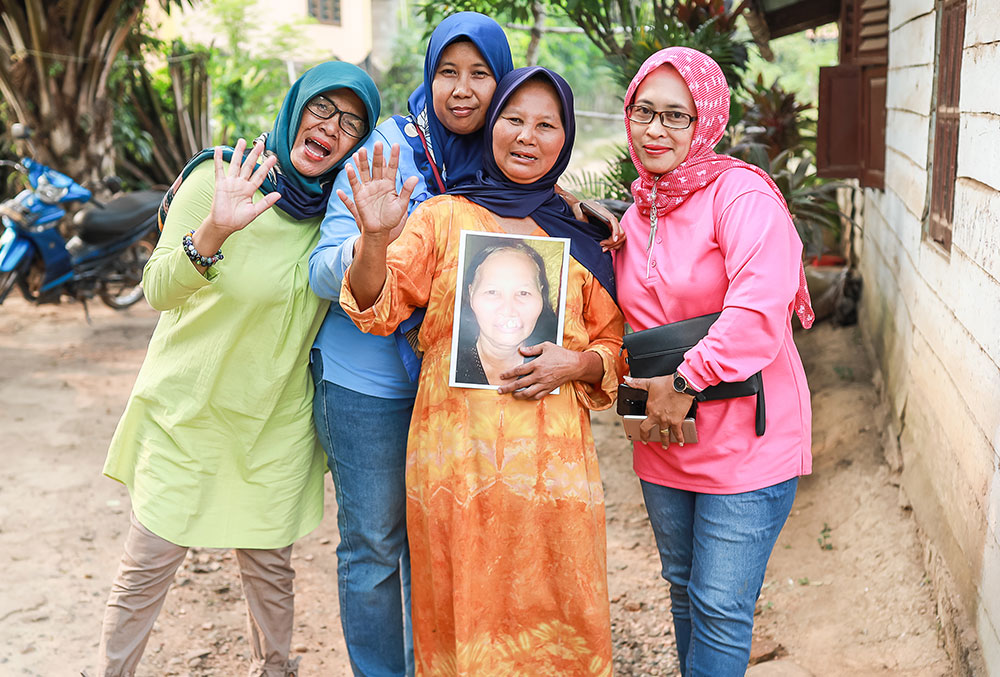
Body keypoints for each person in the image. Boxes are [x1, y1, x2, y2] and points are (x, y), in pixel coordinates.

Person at [95, 62, 380, 677]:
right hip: (188, 413)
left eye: (352, 123)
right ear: (295, 108)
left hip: (272, 420)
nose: (332, 127)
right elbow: (157, 290)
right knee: (148, 564)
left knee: (270, 571)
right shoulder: (221, 178)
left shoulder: (341, 216)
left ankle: (274, 670)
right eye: (323, 109)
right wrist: (214, 229)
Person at [337, 66, 624, 675]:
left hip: (554, 476)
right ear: (491, 128)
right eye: (514, 120)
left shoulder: (584, 236)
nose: (527, 136)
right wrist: (372, 239)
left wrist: (576, 361)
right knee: (463, 616)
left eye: (546, 124)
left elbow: (615, 345)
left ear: (565, 137)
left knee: (556, 616)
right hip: (455, 470)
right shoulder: (441, 219)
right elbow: (375, 305)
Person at [306, 13, 513, 676]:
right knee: (374, 545)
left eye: (480, 73)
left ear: (501, 81)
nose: (461, 88)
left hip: (456, 390)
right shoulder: (391, 150)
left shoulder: (505, 156)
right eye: (447, 71)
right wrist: (375, 238)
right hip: (367, 385)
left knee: (441, 542)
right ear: (428, 75)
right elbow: (319, 270)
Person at [613, 47, 816, 676]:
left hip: (748, 443)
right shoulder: (635, 211)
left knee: (722, 606)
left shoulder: (742, 197)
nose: (655, 130)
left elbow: (759, 313)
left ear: (707, 123)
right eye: (645, 110)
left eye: (677, 116)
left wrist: (684, 381)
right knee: (681, 589)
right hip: (667, 436)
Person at [454, 240, 558, 386]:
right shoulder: (447, 362)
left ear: (541, 294)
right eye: (492, 292)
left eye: (523, 293)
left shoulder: (559, 358)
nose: (508, 310)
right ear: (471, 294)